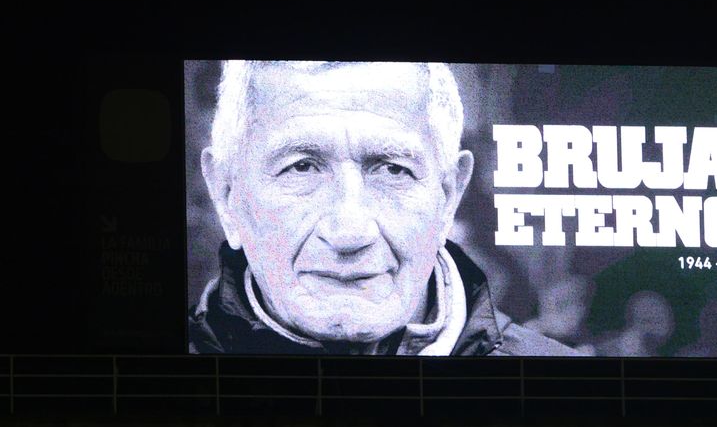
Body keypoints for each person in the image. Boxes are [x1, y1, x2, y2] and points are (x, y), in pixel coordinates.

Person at [190, 60, 578, 356]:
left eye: (394, 169)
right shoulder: (149, 387)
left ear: (450, 195)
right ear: (226, 195)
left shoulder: (568, 392)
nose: (349, 232)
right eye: (301, 167)